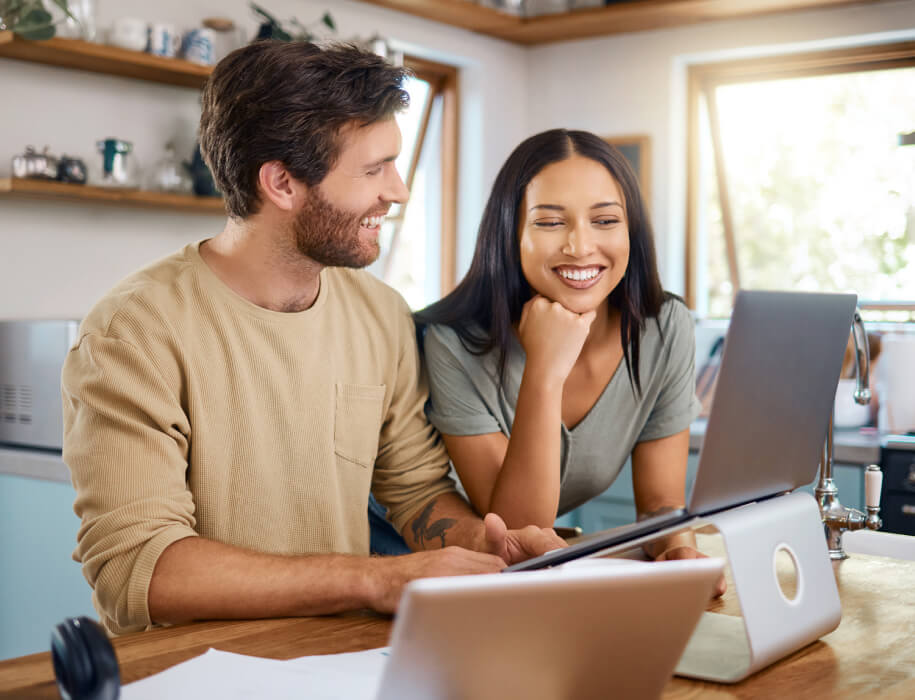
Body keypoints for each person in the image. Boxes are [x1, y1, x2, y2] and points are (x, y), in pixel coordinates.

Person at [61, 41, 564, 636]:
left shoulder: (381, 314)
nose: (398, 191)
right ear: (281, 183)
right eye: (374, 169)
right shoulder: (134, 331)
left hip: (340, 660)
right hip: (191, 674)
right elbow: (138, 572)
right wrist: (374, 579)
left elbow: (416, 493)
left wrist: (488, 546)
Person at [415, 129, 723, 585]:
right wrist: (543, 372)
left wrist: (678, 548)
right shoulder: (450, 341)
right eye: (550, 222)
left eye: (604, 221)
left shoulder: (663, 326)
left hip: (518, 581)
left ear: (631, 231)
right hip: (418, 565)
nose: (580, 246)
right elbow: (518, 533)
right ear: (510, 234)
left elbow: (660, 503)